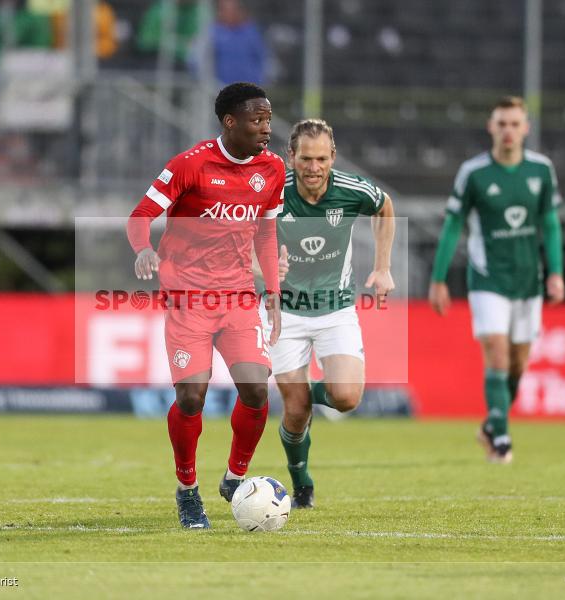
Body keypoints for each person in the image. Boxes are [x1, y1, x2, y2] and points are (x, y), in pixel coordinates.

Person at [125, 82, 285, 529]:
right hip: (189, 300)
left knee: (255, 389)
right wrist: (143, 249)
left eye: (269, 119)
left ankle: (235, 479)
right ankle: (187, 490)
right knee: (191, 397)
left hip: (236, 297)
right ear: (230, 122)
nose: (266, 129)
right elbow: (141, 216)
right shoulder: (190, 165)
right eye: (258, 120)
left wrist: (271, 290)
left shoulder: (272, 169)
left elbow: (267, 233)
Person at [264, 118, 395, 509]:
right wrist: (264, 268)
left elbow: (385, 207)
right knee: (295, 409)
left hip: (335, 309)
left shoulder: (351, 190)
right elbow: (241, 237)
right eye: (306, 158)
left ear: (333, 157)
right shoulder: (272, 192)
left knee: (346, 396)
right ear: (291, 157)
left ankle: (307, 399)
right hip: (284, 313)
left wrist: (384, 266)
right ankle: (301, 481)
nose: (314, 167)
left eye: (322, 158)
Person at [428, 96, 565, 464]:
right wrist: (439, 279)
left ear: (526, 128)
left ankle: (491, 423)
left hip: (528, 280)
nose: (508, 130)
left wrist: (555, 272)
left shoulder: (541, 171)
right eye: (501, 123)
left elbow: (550, 225)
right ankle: (501, 439)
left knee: (518, 364)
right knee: (498, 354)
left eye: (514, 124)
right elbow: (454, 224)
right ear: (491, 127)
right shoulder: (473, 173)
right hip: (487, 279)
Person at [210, 0, 266, 86]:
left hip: (250, 88)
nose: (231, 13)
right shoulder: (214, 32)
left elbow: (262, 57)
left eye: (233, 9)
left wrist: (261, 79)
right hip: (222, 89)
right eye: (226, 9)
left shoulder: (251, 31)